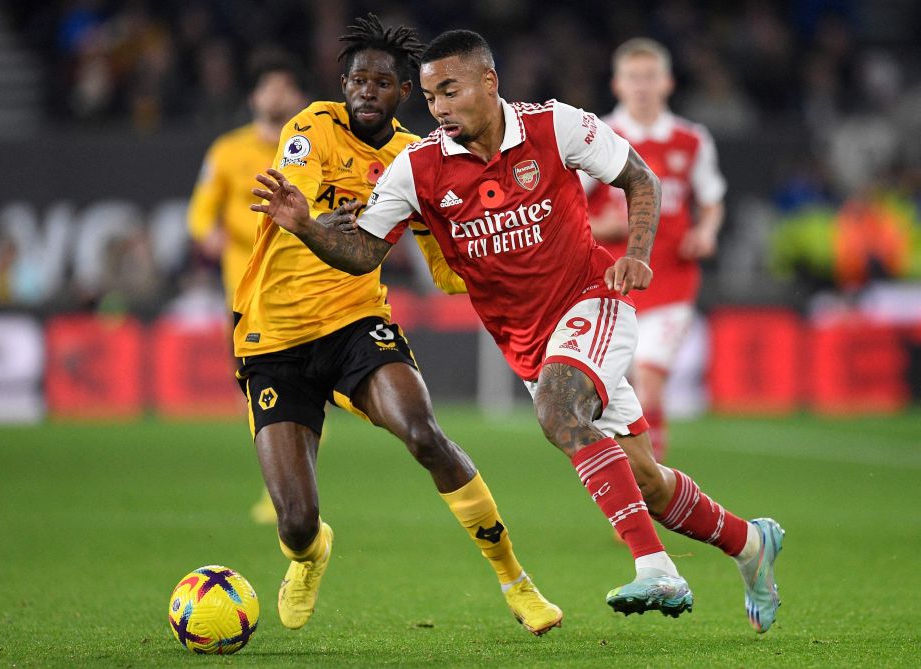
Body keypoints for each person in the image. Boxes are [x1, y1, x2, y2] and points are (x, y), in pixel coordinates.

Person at [253, 29, 784, 633]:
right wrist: (304, 225)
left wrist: (637, 252)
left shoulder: (557, 127)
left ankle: (656, 567)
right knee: (646, 481)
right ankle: (751, 544)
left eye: (450, 91)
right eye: (430, 97)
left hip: (592, 301)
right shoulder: (417, 168)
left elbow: (641, 178)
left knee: (560, 412)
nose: (440, 108)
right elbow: (362, 253)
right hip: (526, 342)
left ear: (489, 82)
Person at [235, 15, 562, 636]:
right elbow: (299, 212)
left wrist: (513, 260)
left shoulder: (415, 160)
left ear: (403, 93)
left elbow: (445, 270)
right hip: (272, 334)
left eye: (381, 83)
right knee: (296, 523)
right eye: (357, 80)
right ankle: (310, 554)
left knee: (423, 432)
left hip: (356, 321)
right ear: (343, 84)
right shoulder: (311, 127)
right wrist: (313, 220)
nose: (366, 91)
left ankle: (514, 578)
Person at [585, 38, 726, 462]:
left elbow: (712, 199)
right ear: (617, 84)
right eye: (633, 77)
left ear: (667, 82)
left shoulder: (691, 139)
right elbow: (566, 206)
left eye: (649, 77)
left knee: (649, 382)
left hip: (671, 281)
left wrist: (707, 231)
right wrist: (598, 225)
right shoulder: (599, 136)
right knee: (618, 392)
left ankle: (652, 487)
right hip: (612, 283)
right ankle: (639, 479)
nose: (641, 86)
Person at [187, 57, 308, 524]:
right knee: (258, 391)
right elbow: (200, 209)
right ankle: (277, 481)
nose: (277, 96)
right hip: (244, 291)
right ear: (255, 98)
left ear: (298, 100)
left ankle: (289, 483)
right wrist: (206, 233)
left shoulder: (308, 148)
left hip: (301, 283)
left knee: (303, 384)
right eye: (269, 88)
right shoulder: (227, 150)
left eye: (285, 88)